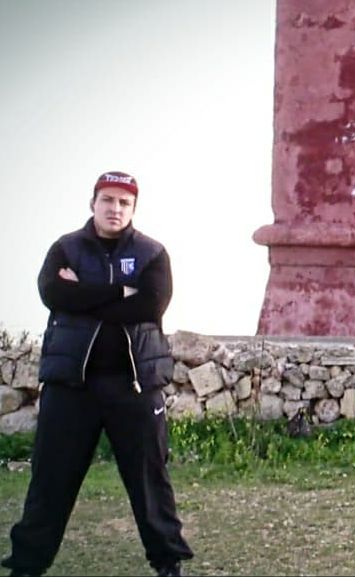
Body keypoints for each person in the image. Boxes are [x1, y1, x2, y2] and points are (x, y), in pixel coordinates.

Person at [2, 172, 193, 577]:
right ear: (93, 203)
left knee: (150, 480)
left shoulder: (152, 253)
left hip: (134, 384)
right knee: (50, 480)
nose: (115, 209)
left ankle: (168, 562)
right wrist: (119, 291)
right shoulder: (65, 248)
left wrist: (82, 296)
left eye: (124, 202)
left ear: (134, 209)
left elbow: (150, 306)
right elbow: (53, 294)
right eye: (107, 200)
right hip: (71, 386)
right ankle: (27, 565)